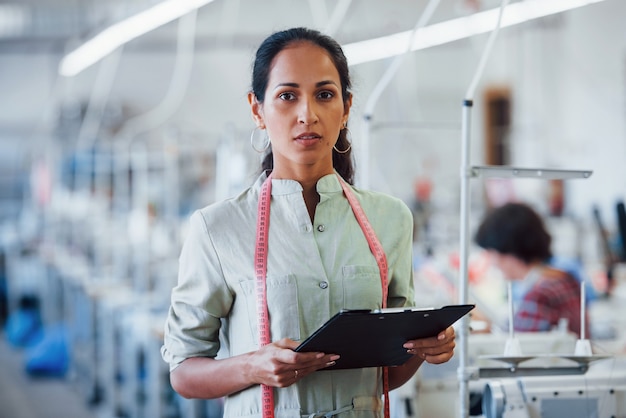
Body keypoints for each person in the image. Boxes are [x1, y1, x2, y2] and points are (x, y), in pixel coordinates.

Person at [160, 27, 456, 418]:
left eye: (324, 94)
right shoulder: (218, 228)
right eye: (287, 96)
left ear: (346, 107)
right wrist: (252, 366)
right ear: (257, 109)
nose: (307, 114)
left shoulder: (390, 218)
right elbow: (183, 373)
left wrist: (426, 350)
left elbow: (386, 373)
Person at [473, 202, 587, 336]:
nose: (492, 262)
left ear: (508, 250)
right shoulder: (565, 279)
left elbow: (515, 348)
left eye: (491, 252)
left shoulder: (539, 296)